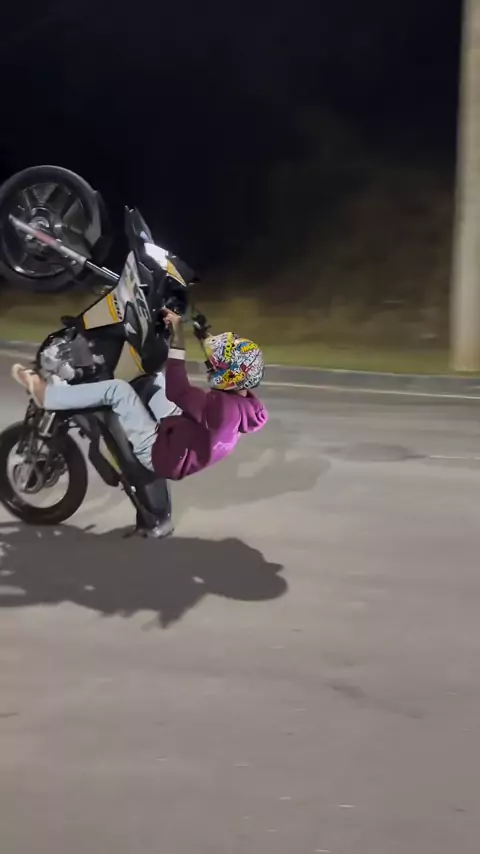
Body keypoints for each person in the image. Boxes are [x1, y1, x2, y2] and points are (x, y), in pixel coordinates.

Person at [11, 310, 268, 480]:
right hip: (184, 440)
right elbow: (223, 363)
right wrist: (203, 334)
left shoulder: (222, 409)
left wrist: (177, 336)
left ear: (230, 374)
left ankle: (50, 397)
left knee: (118, 390)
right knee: (154, 378)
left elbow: (179, 390)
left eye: (218, 364)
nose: (212, 365)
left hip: (160, 453)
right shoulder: (244, 405)